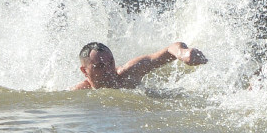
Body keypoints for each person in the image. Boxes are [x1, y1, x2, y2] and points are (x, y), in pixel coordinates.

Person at [72, 41, 207, 90]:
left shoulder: (128, 72)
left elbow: (169, 50)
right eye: (100, 66)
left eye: (110, 63)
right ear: (84, 71)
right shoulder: (80, 92)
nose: (109, 70)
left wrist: (182, 53)